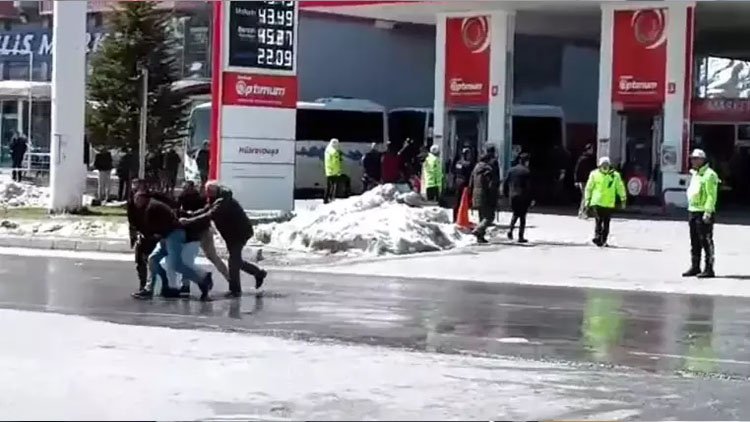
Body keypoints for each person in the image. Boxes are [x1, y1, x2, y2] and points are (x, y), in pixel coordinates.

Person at [181, 181, 267, 298]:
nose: (206, 195)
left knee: (233, 261)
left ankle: (235, 290)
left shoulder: (223, 201)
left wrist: (189, 221)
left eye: (208, 192)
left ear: (214, 191)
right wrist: (190, 215)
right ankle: (258, 273)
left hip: (239, 233)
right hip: (231, 234)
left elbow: (210, 214)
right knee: (237, 261)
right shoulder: (215, 199)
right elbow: (206, 210)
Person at [134, 192, 213, 300]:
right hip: (166, 235)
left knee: (176, 264)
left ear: (144, 198)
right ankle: (150, 288)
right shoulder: (150, 206)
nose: (135, 201)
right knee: (153, 259)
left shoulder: (151, 208)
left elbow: (157, 227)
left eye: (138, 199)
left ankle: (202, 279)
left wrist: (154, 237)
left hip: (174, 234)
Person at [178, 180, 230, 284]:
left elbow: (206, 214)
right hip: (191, 231)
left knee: (211, 256)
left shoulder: (203, 198)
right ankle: (185, 284)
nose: (185, 190)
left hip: (202, 230)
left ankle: (230, 279)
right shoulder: (182, 198)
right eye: (184, 188)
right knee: (187, 258)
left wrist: (190, 216)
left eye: (187, 188)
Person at [683, 148, 720, 279]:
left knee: (706, 240)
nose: (692, 161)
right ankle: (695, 266)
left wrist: (708, 212)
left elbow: (711, 195)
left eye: (695, 158)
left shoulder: (710, 175)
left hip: (703, 212)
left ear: (702, 160)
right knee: (694, 241)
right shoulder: (695, 174)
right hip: (693, 210)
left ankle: (709, 268)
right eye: (692, 158)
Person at [128, 179, 166, 298]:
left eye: (138, 187)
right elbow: (131, 219)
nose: (136, 190)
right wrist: (134, 234)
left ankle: (158, 285)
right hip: (142, 233)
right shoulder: (132, 201)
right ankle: (143, 285)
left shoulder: (154, 199)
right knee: (140, 260)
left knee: (152, 260)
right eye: (134, 187)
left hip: (155, 233)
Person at [584, 156, 626, 247]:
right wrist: (587, 200)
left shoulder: (615, 175)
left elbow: (620, 187)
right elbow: (589, 188)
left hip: (608, 203)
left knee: (606, 222)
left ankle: (603, 239)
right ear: (599, 165)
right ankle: (598, 237)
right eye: (603, 164)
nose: (605, 166)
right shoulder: (594, 174)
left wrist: (623, 199)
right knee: (598, 220)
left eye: (606, 164)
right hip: (597, 202)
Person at [469, 147, 500, 244]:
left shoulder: (476, 167)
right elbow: (491, 184)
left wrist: (471, 192)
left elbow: (471, 182)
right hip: (485, 194)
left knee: (482, 216)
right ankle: (478, 230)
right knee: (489, 216)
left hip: (475, 193)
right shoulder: (488, 169)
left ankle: (480, 237)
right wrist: (494, 195)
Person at [504, 153, 534, 243]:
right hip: (523, 196)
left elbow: (505, 183)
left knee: (515, 214)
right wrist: (531, 198)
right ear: (526, 161)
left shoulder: (511, 170)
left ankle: (510, 230)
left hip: (512, 196)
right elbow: (529, 187)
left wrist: (506, 194)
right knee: (522, 217)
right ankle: (520, 236)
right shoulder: (526, 171)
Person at [575, 143, 597, 218]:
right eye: (591, 149)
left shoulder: (590, 159)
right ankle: (581, 212)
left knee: (588, 196)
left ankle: (587, 212)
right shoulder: (583, 159)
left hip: (588, 180)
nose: (592, 151)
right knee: (585, 197)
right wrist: (577, 181)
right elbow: (578, 171)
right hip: (584, 181)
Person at [452, 147, 474, 222]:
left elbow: (453, 171)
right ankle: (461, 218)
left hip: (457, 183)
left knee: (456, 202)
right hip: (464, 185)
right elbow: (470, 175)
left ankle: (455, 218)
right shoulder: (468, 164)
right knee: (464, 202)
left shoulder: (458, 163)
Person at [324, 138, 343, 203]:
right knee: (332, 186)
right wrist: (337, 170)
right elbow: (334, 162)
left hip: (330, 171)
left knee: (330, 186)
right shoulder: (333, 151)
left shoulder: (328, 150)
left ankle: (327, 198)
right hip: (333, 171)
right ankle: (329, 198)